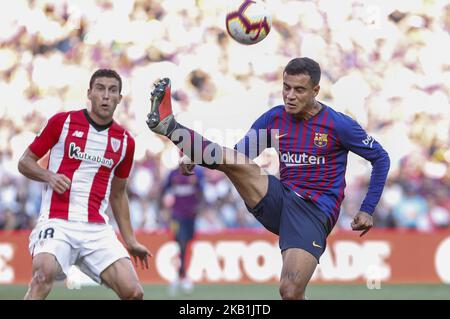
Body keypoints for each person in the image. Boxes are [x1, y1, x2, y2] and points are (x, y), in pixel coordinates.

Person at [146, 57, 390, 300]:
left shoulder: (338, 125)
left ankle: (174, 130)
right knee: (236, 163)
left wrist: (367, 208)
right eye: (286, 87)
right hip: (279, 198)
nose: (290, 95)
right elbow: (239, 155)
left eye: (299, 90)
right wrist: (198, 154)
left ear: (316, 91)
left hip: (314, 212)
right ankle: (169, 126)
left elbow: (381, 158)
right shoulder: (274, 119)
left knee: (290, 292)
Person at [18, 69, 152, 300]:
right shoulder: (63, 122)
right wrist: (49, 175)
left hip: (96, 230)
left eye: (113, 91)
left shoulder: (125, 142)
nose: (106, 96)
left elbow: (118, 195)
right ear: (89, 93)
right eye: (100, 89)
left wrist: (130, 240)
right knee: (42, 275)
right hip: (57, 222)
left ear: (120, 98)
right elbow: (24, 162)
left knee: (134, 293)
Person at [160, 164, 204, 296]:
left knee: (186, 242)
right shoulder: (173, 173)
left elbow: (202, 190)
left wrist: (199, 206)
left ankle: (180, 275)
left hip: (191, 214)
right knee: (180, 240)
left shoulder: (197, 173)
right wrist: (163, 206)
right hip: (176, 214)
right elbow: (164, 190)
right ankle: (182, 275)